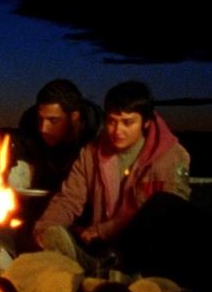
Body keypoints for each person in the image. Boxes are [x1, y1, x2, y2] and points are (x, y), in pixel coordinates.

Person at [33, 81, 191, 277]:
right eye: (111, 121)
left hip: (151, 248)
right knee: (64, 236)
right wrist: (46, 227)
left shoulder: (172, 156)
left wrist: (105, 230)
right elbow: (69, 198)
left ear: (146, 122)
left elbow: (172, 215)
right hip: (104, 248)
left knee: (162, 209)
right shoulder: (91, 153)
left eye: (127, 122)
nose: (117, 131)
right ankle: (97, 267)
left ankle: (112, 271)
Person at [16, 79, 103, 193]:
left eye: (53, 120)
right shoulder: (30, 125)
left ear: (74, 117)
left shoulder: (100, 137)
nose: (43, 129)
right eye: (40, 119)